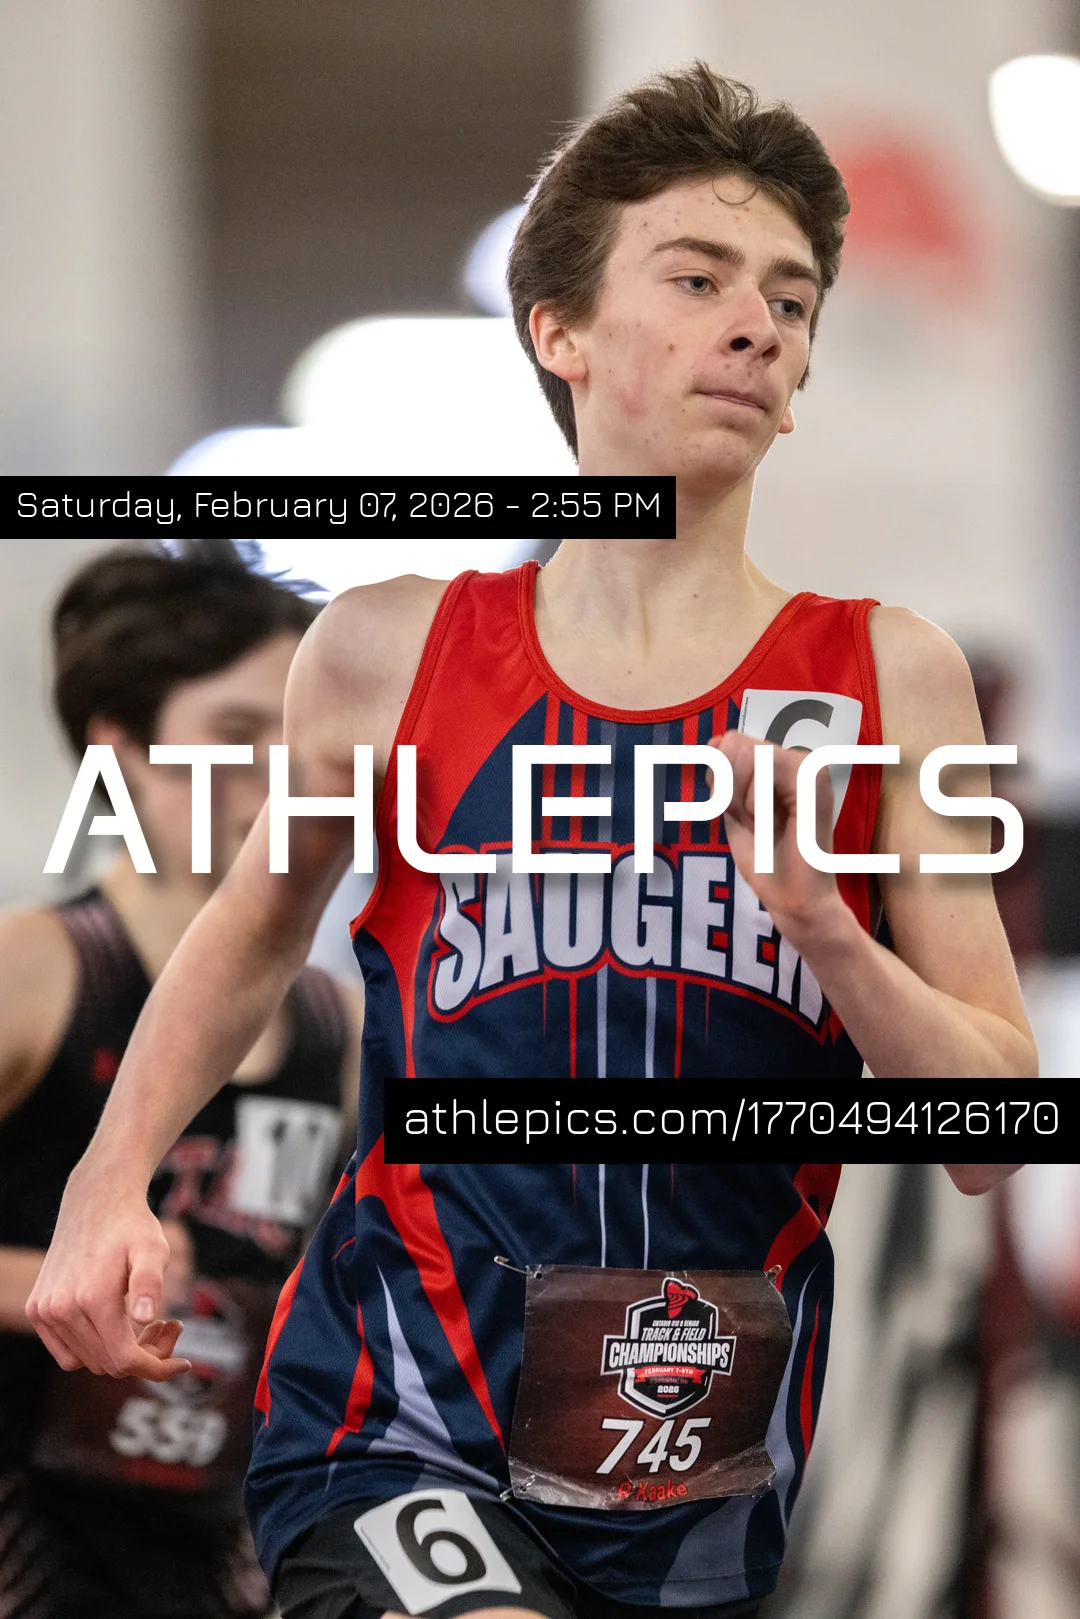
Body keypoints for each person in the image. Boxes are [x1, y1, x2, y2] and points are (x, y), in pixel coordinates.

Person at [27, 65, 1033, 1619]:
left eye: (791, 299)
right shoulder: (391, 650)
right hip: (396, 1409)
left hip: (694, 1448)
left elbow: (988, 1133)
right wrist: (108, 1180)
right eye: (697, 280)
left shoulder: (890, 677)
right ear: (560, 332)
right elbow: (251, 929)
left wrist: (829, 927)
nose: (757, 326)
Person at [0, 541, 362, 1618]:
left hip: (223, 1555)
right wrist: (45, 1280)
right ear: (118, 751)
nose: (274, 781)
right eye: (235, 738)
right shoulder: (37, 971)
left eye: (295, 740)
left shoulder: (331, 1021)